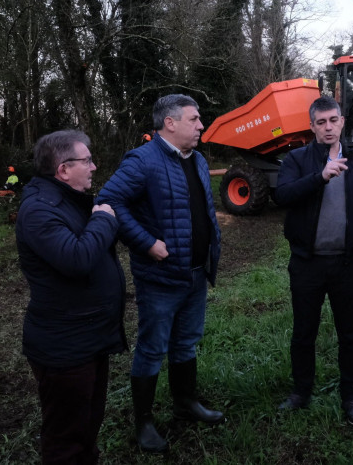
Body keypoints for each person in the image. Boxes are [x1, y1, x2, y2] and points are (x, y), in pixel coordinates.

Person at [97, 94, 222, 453]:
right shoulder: (143, 160)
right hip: (161, 279)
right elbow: (108, 201)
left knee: (186, 342)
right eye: (194, 119)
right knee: (152, 349)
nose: (201, 125)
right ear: (170, 123)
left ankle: (185, 403)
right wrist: (146, 242)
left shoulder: (197, 159)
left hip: (196, 273)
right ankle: (144, 423)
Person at [15, 130, 126, 463]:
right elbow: (77, 259)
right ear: (63, 170)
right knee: (66, 438)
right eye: (87, 160)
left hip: (88, 334)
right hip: (64, 346)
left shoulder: (71, 201)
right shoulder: (38, 210)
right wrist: (105, 219)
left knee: (87, 424)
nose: (94, 166)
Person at [272, 96, 353, 428]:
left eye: (333, 120)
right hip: (307, 264)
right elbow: (283, 196)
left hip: (347, 265)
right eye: (320, 122)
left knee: (350, 334)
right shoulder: (296, 159)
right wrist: (320, 176)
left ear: (342, 122)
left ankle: (351, 396)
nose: (328, 127)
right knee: (304, 333)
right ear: (312, 127)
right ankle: (301, 393)